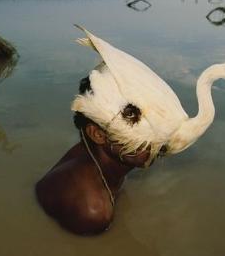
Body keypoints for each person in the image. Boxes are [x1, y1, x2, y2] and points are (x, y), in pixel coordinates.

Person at [35, 77, 155, 235]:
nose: (151, 135)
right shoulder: (93, 212)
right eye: (132, 124)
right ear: (97, 134)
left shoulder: (98, 153)